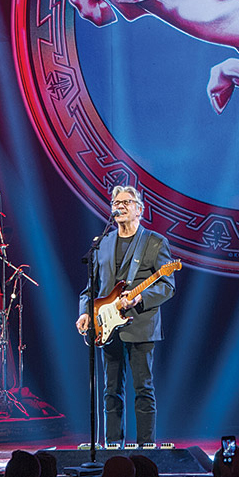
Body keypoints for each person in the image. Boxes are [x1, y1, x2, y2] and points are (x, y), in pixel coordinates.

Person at [76, 185, 176, 447]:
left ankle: (146, 446)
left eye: (126, 202)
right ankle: (111, 445)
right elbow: (92, 287)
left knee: (143, 389)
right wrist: (86, 313)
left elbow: (168, 285)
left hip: (141, 325)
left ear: (139, 210)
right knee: (111, 391)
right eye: (115, 202)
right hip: (107, 327)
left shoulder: (154, 242)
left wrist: (141, 297)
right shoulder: (103, 243)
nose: (119, 206)